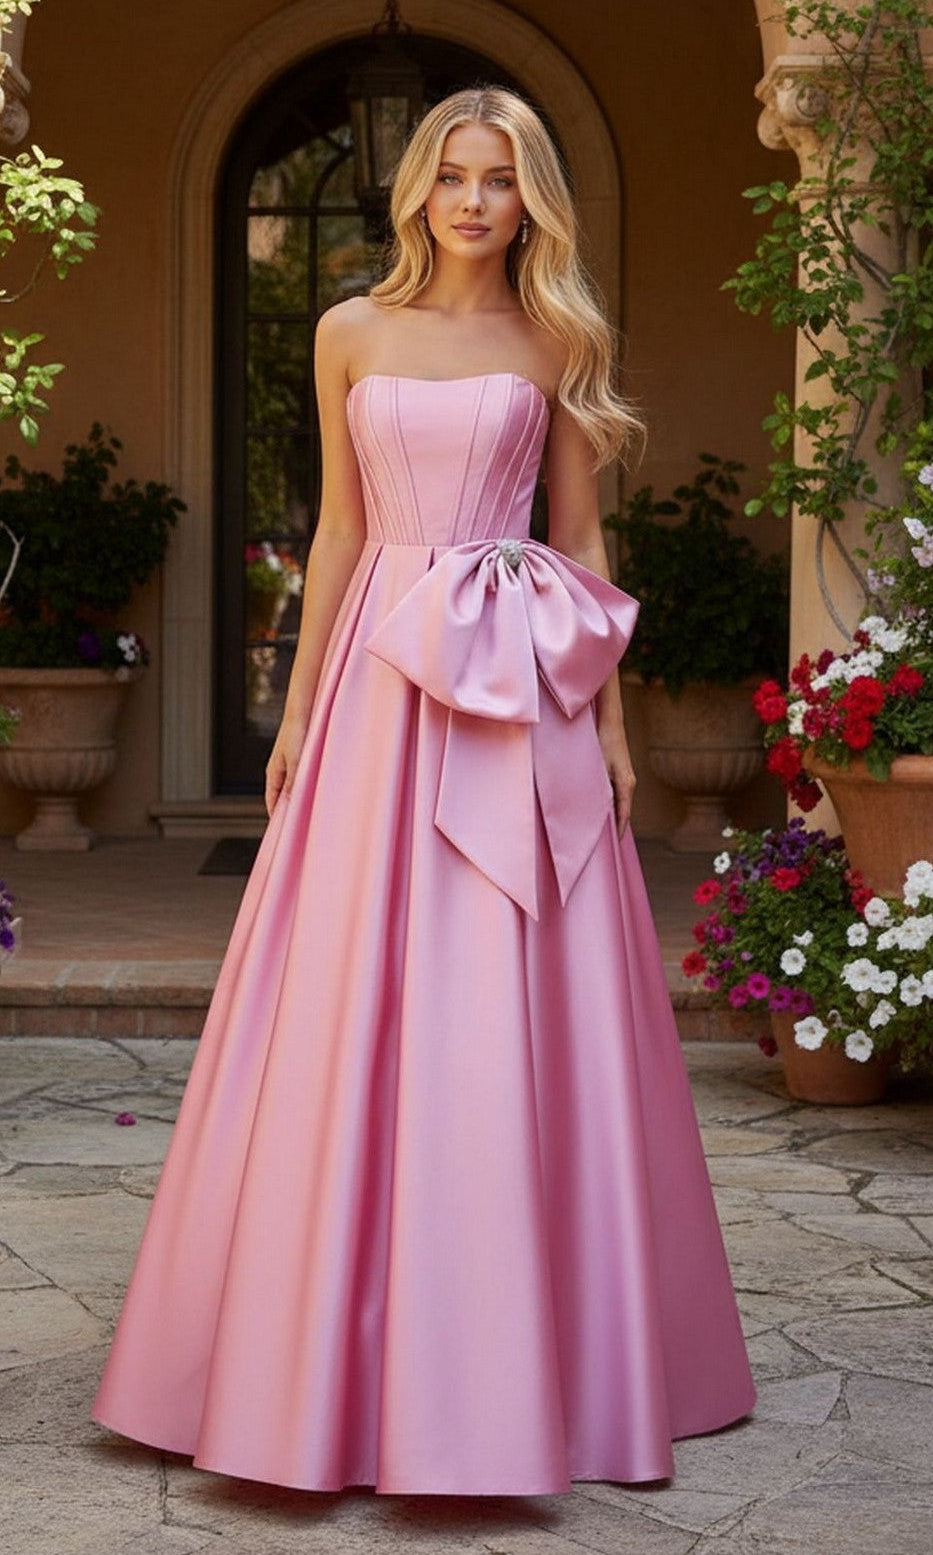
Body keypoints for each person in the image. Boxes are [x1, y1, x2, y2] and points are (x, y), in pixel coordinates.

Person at [90, 83, 756, 1496]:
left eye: (498, 179)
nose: (469, 200)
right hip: (378, 688)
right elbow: (338, 528)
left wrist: (615, 733)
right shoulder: (347, 329)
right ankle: (304, 1360)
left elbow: (578, 542)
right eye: (449, 175)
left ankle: (534, 1364)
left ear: (531, 202)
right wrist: (292, 699)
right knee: (344, 999)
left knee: (508, 997)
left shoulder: (560, 335)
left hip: (517, 690)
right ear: (414, 192)